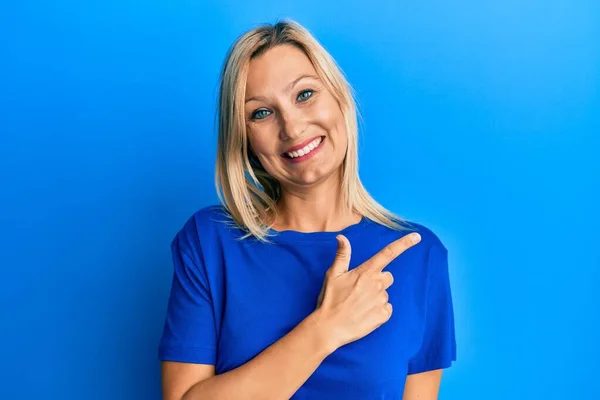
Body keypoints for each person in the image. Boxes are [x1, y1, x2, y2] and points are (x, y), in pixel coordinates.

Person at [158, 19, 456, 400]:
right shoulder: (208, 242)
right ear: (245, 139)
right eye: (261, 113)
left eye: (304, 95)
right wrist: (325, 328)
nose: (293, 127)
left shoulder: (419, 255)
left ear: (339, 99)